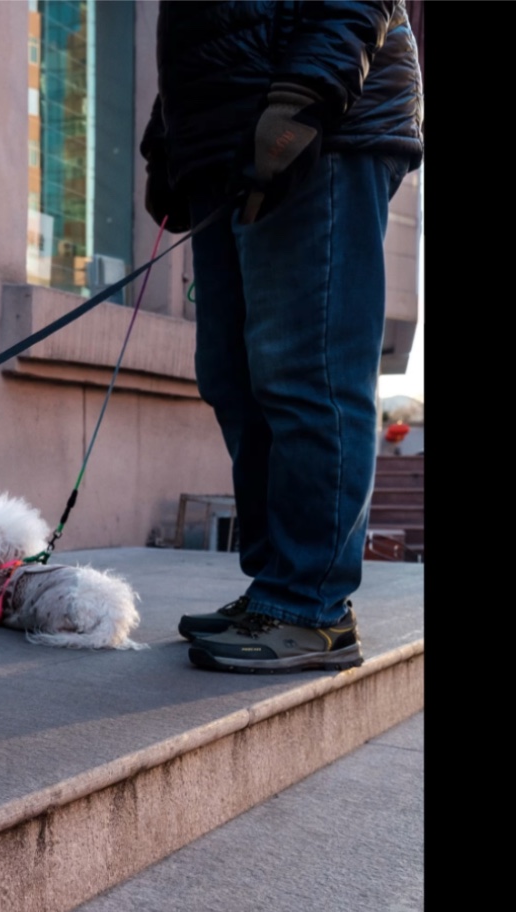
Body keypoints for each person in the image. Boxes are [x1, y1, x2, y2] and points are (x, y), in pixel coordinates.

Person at [140, 1, 423, 673]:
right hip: (224, 138)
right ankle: (275, 589)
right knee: (231, 376)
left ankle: (311, 607)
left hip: (319, 126)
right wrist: (169, 143)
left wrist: (304, 97)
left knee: (306, 372)